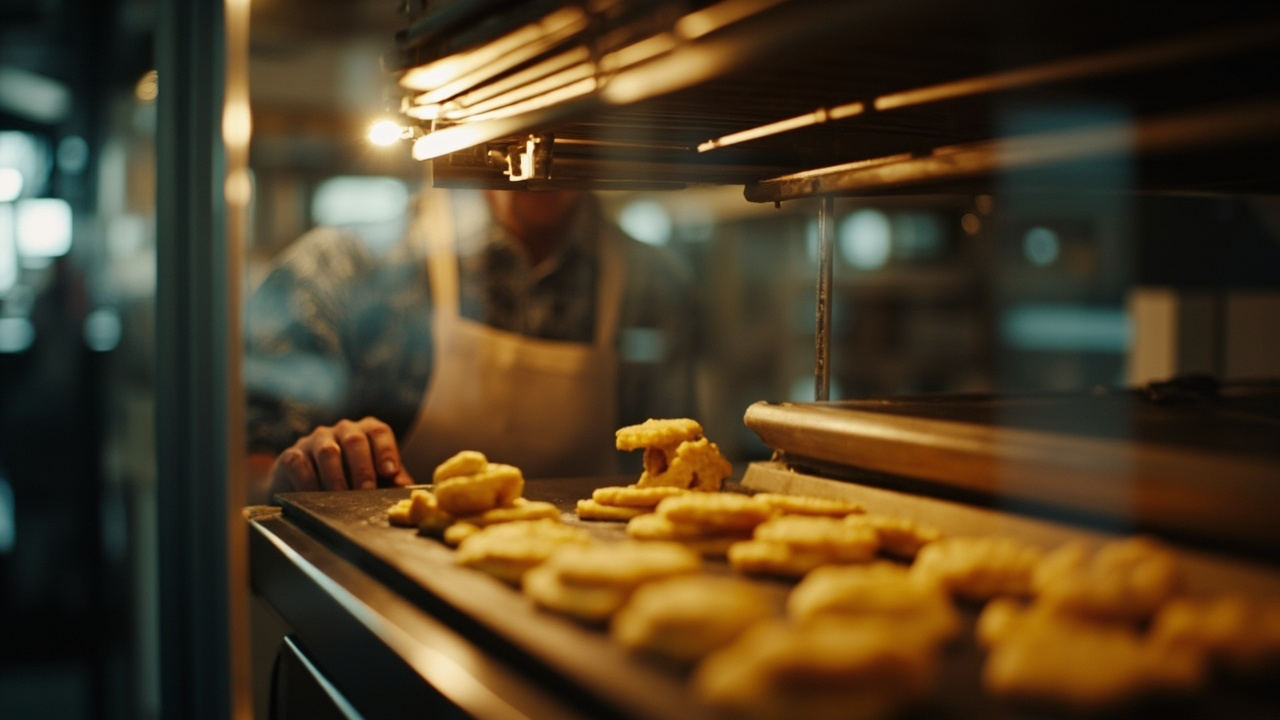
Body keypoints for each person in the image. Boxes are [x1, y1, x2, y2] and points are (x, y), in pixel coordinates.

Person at [244, 187, 699, 504]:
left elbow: (680, 472)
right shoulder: (339, 270)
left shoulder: (654, 287)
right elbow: (242, 469)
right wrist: (291, 473)